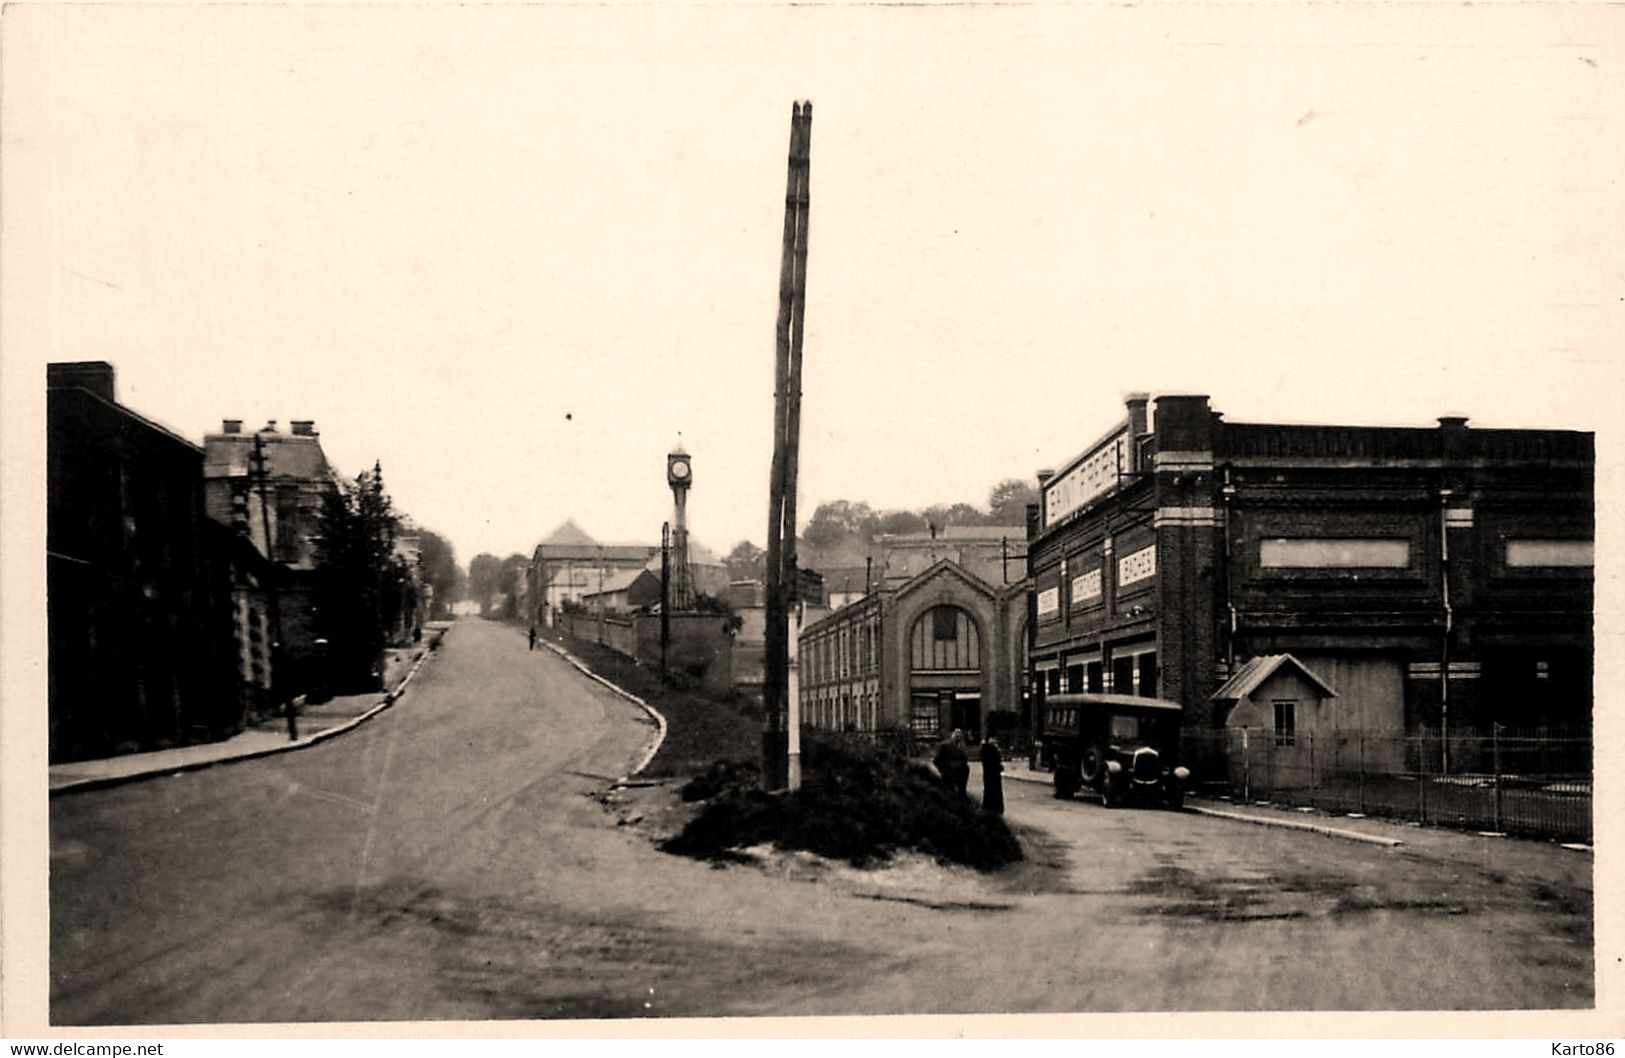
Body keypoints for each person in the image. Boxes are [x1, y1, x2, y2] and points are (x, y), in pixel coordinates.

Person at [934, 729, 970, 797]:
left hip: (961, 775)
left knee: (960, 793)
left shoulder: (961, 746)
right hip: (949, 773)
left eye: (959, 734)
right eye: (956, 734)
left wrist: (962, 750)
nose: (958, 736)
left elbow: (965, 759)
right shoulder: (945, 745)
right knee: (949, 793)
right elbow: (937, 760)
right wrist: (944, 771)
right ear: (952, 734)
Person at [979, 735, 1005, 814]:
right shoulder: (987, 748)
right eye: (992, 739)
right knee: (991, 790)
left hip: (993, 773)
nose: (994, 740)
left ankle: (993, 807)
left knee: (992, 790)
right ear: (988, 739)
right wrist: (999, 767)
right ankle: (992, 808)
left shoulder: (992, 748)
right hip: (991, 773)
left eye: (995, 739)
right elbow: (991, 761)